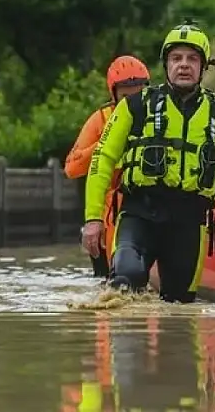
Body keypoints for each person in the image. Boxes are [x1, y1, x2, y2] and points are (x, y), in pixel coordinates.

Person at [83, 21, 215, 300]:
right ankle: (125, 338)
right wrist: (93, 219)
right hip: (139, 214)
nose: (184, 65)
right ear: (166, 64)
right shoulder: (134, 106)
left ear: (204, 66)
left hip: (189, 223)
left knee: (180, 307)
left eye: (192, 58)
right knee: (126, 280)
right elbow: (103, 159)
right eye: (176, 58)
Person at [64, 55, 149, 280]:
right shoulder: (100, 119)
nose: (131, 103)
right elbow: (72, 168)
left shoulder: (157, 117)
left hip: (145, 210)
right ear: (114, 95)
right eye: (125, 97)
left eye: (138, 95)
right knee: (105, 282)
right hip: (109, 214)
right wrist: (106, 142)